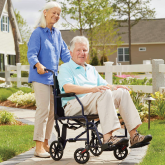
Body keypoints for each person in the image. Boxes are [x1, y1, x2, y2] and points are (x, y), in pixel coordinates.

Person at [58, 36, 152, 147]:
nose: (82, 53)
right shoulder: (65, 68)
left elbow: (104, 85)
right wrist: (92, 89)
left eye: (84, 50)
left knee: (122, 92)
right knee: (103, 93)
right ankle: (107, 138)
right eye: (78, 50)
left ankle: (134, 136)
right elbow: (68, 87)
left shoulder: (90, 69)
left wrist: (115, 87)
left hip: (95, 101)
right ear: (71, 52)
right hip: (75, 104)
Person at [27, 2, 71, 158]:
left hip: (53, 79)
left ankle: (46, 144)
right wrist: (38, 64)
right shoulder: (37, 33)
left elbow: (65, 54)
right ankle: (38, 147)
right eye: (54, 13)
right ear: (45, 12)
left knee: (53, 113)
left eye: (58, 14)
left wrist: (78, 59)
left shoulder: (57, 34)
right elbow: (31, 54)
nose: (56, 16)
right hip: (40, 77)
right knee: (43, 110)